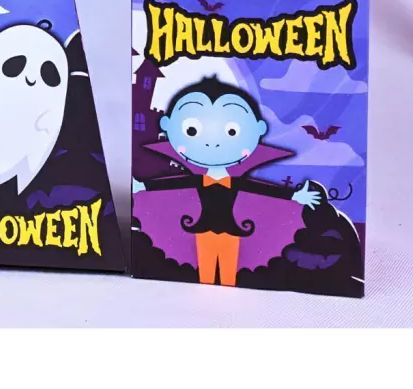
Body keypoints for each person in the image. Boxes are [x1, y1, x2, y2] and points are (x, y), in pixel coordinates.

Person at [132, 76, 320, 287]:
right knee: (205, 274)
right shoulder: (199, 180)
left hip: (232, 231)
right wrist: (143, 186)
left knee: (229, 276)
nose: (212, 144)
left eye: (232, 132)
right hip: (202, 230)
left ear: (258, 129)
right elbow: (173, 183)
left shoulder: (236, 182)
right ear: (167, 126)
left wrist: (294, 195)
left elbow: (261, 188)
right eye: (191, 130)